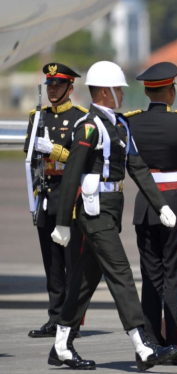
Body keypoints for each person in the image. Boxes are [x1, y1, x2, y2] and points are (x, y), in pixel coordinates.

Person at [48, 61, 177, 370]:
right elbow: (71, 176)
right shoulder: (89, 125)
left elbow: (137, 167)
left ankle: (61, 345)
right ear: (105, 91)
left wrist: (161, 205)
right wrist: (63, 222)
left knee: (84, 279)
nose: (122, 93)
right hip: (94, 212)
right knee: (121, 273)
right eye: (118, 89)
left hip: (110, 209)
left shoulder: (120, 125)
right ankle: (143, 346)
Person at [125, 62, 177, 365]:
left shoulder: (131, 123)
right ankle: (176, 347)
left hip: (145, 207)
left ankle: (149, 346)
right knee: (176, 279)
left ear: (146, 90)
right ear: (171, 91)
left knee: (151, 279)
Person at [24, 63, 88, 338]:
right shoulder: (37, 116)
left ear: (70, 88)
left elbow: (80, 157)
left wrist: (55, 150)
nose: (53, 90)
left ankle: (71, 320)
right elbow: (29, 150)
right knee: (51, 261)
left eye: (58, 85)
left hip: (69, 195)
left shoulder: (80, 117)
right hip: (46, 193)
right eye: (50, 85)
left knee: (72, 261)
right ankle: (55, 316)